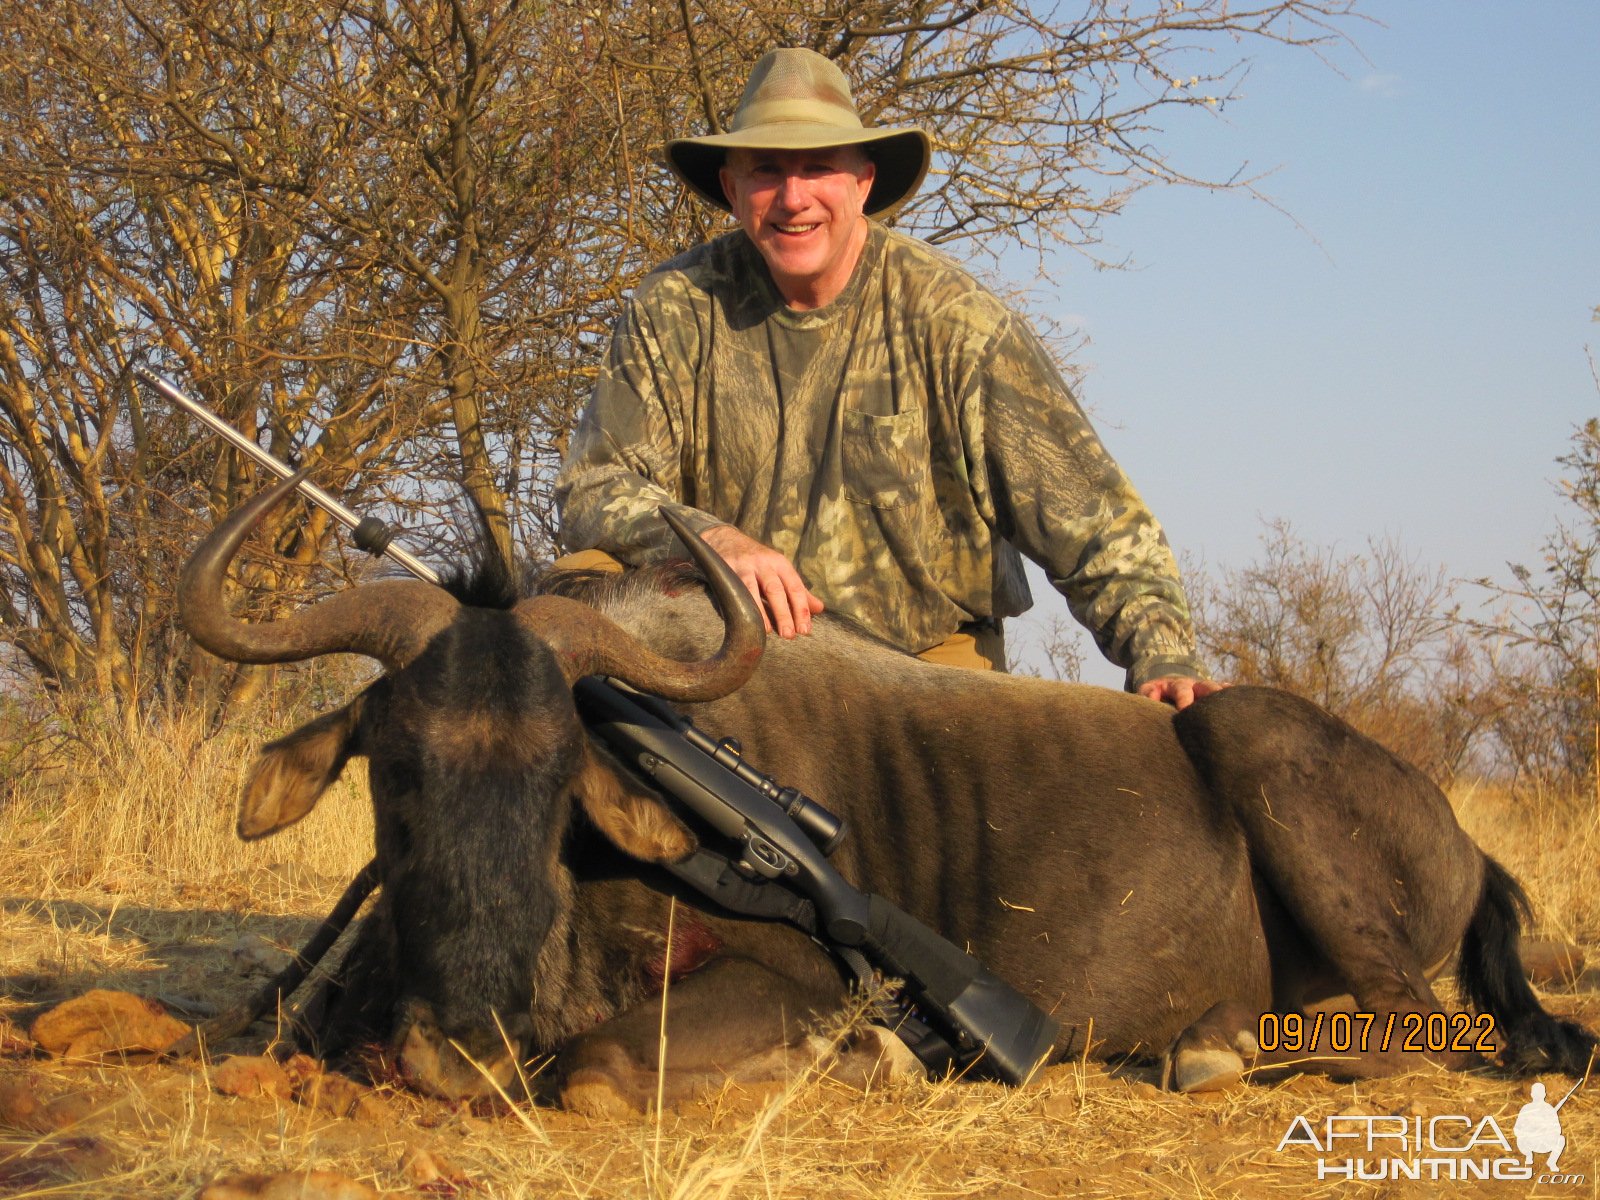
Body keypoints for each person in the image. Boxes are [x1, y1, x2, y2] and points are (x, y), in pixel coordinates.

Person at [555, 47, 1221, 708]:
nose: (793, 199)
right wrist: (712, 538)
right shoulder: (673, 307)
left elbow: (1091, 516)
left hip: (922, 675)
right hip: (738, 669)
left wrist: (1161, 654)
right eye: (766, 171)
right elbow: (593, 487)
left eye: (818, 168)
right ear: (731, 187)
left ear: (862, 183)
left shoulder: (953, 320)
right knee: (572, 587)